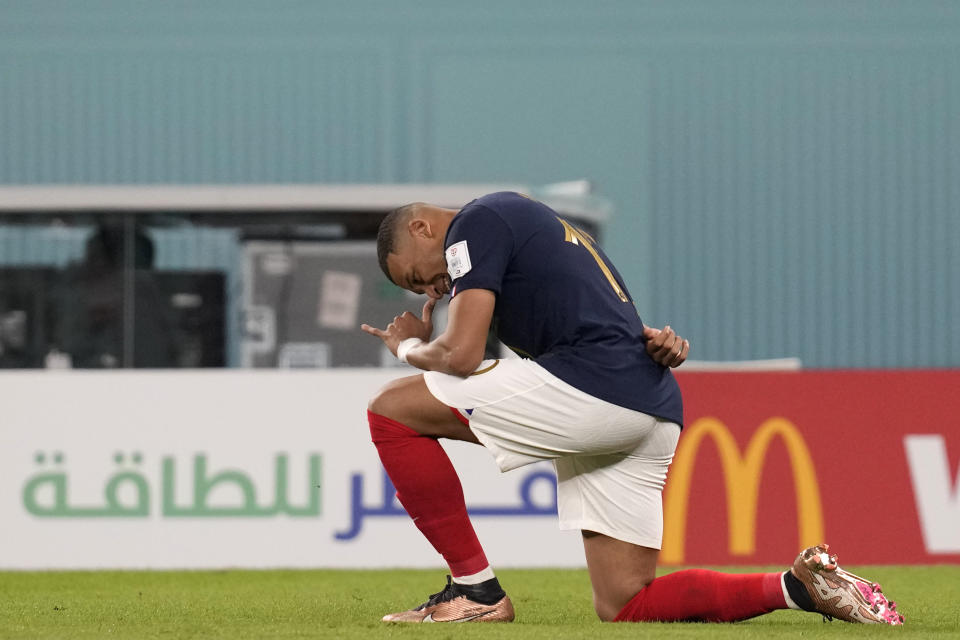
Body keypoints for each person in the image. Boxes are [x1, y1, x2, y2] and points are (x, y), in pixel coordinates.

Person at [361, 191, 902, 625]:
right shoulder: (523, 228)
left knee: (389, 411)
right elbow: (587, 321)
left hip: (598, 392)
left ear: (423, 229)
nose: (432, 286)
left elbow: (460, 356)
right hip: (649, 403)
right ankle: (801, 588)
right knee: (626, 604)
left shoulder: (472, 226)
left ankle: (474, 589)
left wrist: (407, 345)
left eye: (418, 276)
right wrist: (659, 342)